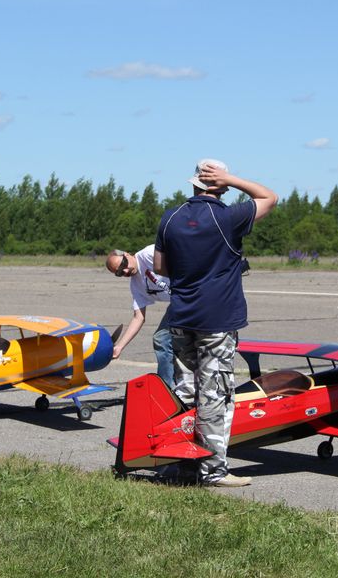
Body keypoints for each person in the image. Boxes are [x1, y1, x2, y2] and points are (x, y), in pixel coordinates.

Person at [154, 159, 277, 487]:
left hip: (180, 317)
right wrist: (233, 178)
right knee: (216, 395)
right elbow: (269, 197)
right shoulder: (227, 216)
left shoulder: (170, 218)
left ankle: (182, 462)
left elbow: (160, 266)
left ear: (193, 183)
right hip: (217, 321)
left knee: (185, 391)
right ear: (219, 185)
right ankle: (213, 471)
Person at [105, 246, 175, 387]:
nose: (125, 271)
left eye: (123, 264)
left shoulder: (149, 254)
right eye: (119, 273)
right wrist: (119, 347)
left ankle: (168, 390)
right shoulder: (136, 285)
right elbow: (139, 317)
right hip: (180, 302)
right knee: (169, 341)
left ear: (127, 254)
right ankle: (172, 388)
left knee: (162, 339)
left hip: (195, 294)